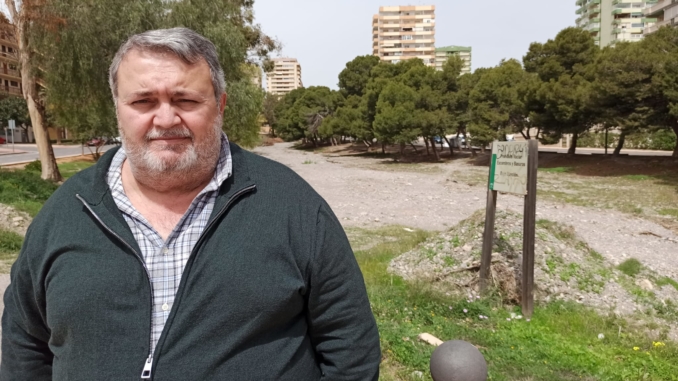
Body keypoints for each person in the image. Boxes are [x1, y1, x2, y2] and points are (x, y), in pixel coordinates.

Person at [1, 28, 380, 380]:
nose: (165, 119)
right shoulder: (67, 210)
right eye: (143, 101)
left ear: (220, 105)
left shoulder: (293, 207)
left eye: (185, 99)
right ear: (118, 107)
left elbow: (351, 348)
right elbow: (24, 343)